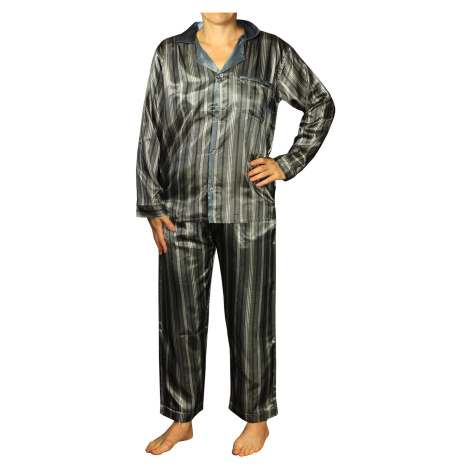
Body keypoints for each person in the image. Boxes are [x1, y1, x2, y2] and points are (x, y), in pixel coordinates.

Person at [136, 12, 335, 457]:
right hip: (180, 208)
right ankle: (181, 418)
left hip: (247, 207)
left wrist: (287, 163)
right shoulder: (169, 54)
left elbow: (321, 102)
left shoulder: (271, 52)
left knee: (251, 317)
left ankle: (256, 419)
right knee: (180, 319)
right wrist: (151, 203)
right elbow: (152, 129)